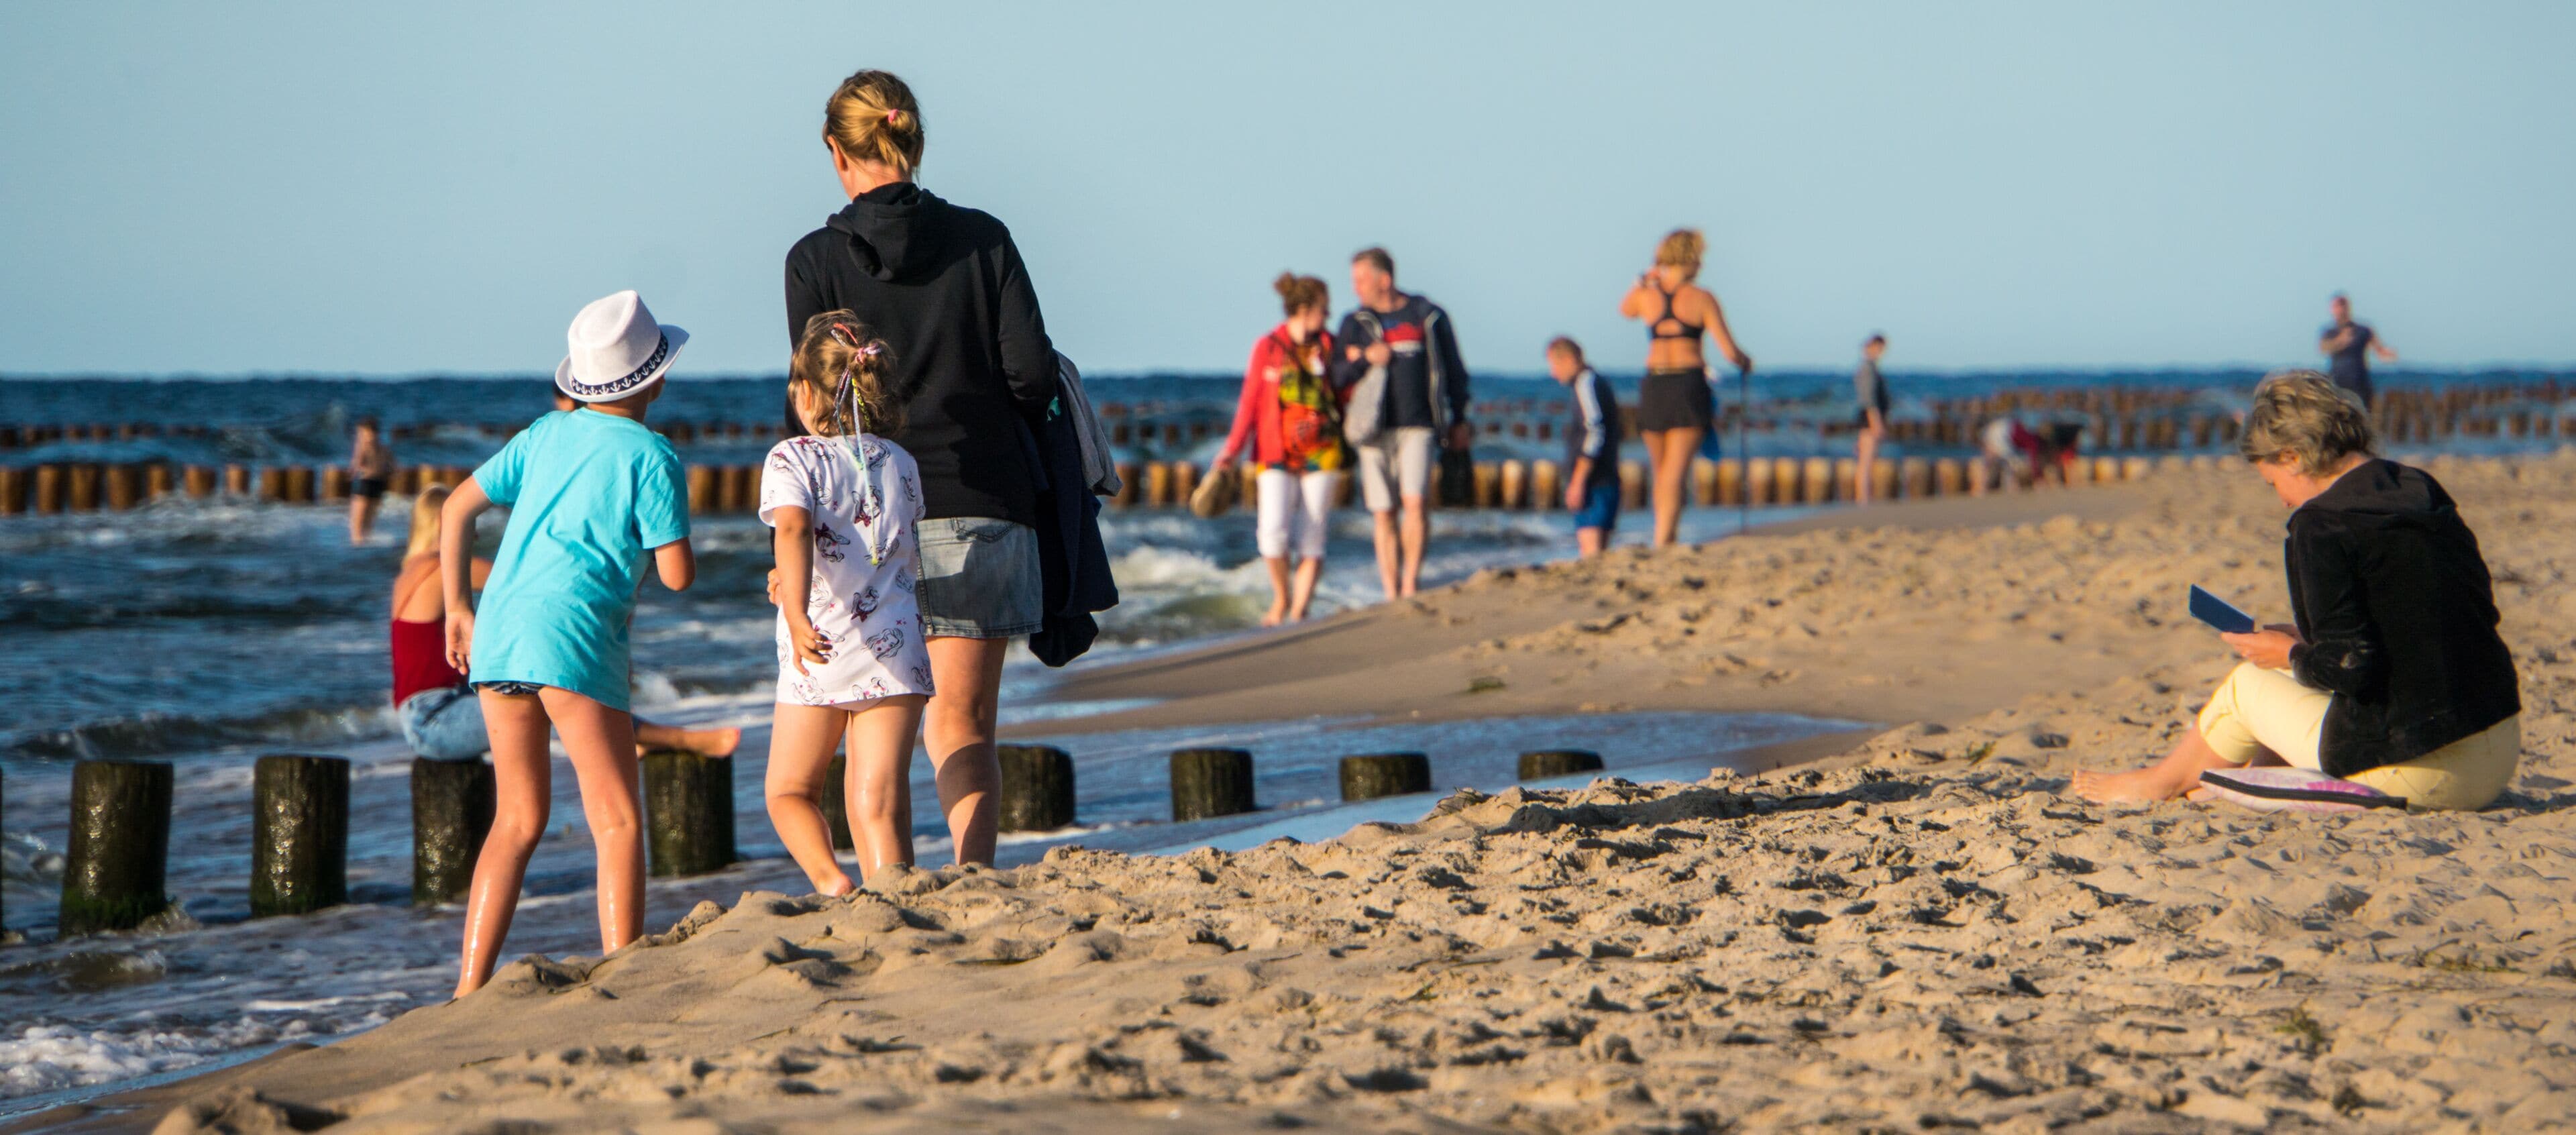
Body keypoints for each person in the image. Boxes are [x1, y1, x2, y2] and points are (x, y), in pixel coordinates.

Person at [782, 69, 1053, 867]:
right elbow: (1032, 375)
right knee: (964, 725)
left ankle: (886, 891)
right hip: (983, 499)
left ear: (837, 152)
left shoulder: (814, 260)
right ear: (915, 140)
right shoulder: (986, 238)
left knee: (879, 729)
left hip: (863, 523)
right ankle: (972, 880)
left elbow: (814, 403)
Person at [2073, 371, 2520, 811]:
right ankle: (2244, 776)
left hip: (2421, 771)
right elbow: (2435, 617)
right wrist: (2302, 646)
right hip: (2496, 748)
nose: (2283, 501)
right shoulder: (2418, 486)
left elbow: (2350, 667)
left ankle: (2161, 783)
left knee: (2247, 686)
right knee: (2286, 671)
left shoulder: (2322, 525)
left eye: (2274, 484)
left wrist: (2289, 654)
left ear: (2292, 457)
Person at [439, 289, 698, 997]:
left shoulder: (543, 434)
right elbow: (676, 576)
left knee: (517, 817)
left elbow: (456, 507)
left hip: (499, 631)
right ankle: (623, 967)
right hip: (576, 638)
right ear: (658, 376)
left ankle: (468, 988)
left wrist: (457, 607)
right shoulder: (653, 454)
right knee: (614, 816)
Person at [762, 313, 932, 896]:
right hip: (900, 649)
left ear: (806, 395)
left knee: (789, 791)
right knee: (878, 804)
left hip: (825, 645)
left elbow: (793, 531)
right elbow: (884, 547)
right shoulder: (902, 462)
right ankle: (896, 899)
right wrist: (787, 579)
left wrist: (794, 609)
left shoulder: (793, 458)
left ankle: (833, 884)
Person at [391, 481, 736, 764]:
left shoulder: (409, 573)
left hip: (427, 713)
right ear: (444, 524)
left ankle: (629, 743)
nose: (475, 536)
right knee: (555, 700)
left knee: (553, 696)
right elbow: (516, 581)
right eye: (470, 526)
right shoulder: (439, 569)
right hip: (436, 718)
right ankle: (682, 740)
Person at [1332, 248, 1470, 600]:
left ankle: (1411, 583)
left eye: (1361, 280)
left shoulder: (1429, 317)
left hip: (1420, 425)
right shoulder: (1355, 324)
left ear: (1385, 280)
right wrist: (1365, 358)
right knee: (1383, 512)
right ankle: (1391, 590)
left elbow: (1454, 370)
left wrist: (1459, 418)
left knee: (1415, 503)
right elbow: (1336, 374)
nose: (1356, 288)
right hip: (1371, 430)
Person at [1216, 273, 1345, 625]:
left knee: (1313, 533)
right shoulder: (1267, 347)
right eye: (1323, 308)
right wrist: (1232, 449)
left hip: (1323, 453)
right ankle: (1282, 599)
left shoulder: (1332, 348)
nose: (1328, 314)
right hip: (1274, 452)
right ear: (1304, 309)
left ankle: (1300, 610)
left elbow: (1346, 397)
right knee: (1271, 531)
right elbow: (1249, 403)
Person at [1621, 229, 1752, 547]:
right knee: (1675, 472)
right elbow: (1729, 351)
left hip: (1654, 384)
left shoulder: (1646, 295)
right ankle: (1665, 537)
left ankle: (1662, 534)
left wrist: (1644, 278)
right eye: (1699, 259)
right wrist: (1746, 362)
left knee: (1661, 470)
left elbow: (1625, 311)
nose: (1701, 266)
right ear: (1690, 259)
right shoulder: (1702, 298)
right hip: (1687, 384)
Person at [1548, 337, 1621, 557]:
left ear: (1569, 359)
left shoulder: (1586, 383)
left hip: (1595, 481)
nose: (1553, 373)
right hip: (1604, 477)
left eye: (1555, 365)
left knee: (1591, 550)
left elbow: (1594, 430)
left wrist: (1579, 480)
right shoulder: (1596, 382)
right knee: (1598, 551)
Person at [2318, 293, 2396, 406]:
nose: (2338, 311)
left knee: (2362, 415)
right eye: (2335, 307)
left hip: (2359, 383)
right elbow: (2323, 349)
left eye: (2341, 307)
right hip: (2337, 382)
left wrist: (2387, 353)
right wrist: (2340, 341)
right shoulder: (2329, 332)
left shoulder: (2363, 330)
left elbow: (2378, 348)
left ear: (2347, 308)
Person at [1852, 335, 1892, 505]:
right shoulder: (1867, 369)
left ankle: (1864, 497)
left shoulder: (1868, 368)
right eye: (1879, 348)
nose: (1881, 353)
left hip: (1869, 417)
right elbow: (1869, 400)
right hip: (1870, 418)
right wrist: (1876, 423)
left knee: (1867, 458)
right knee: (1866, 460)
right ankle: (1863, 498)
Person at [347, 417, 391, 545]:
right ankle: (367, 542)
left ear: (368, 432)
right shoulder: (383, 448)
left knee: (357, 519)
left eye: (361, 433)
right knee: (370, 518)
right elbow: (394, 467)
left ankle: (357, 544)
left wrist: (351, 473)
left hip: (365, 482)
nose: (359, 436)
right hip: (379, 482)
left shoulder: (363, 447)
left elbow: (357, 464)